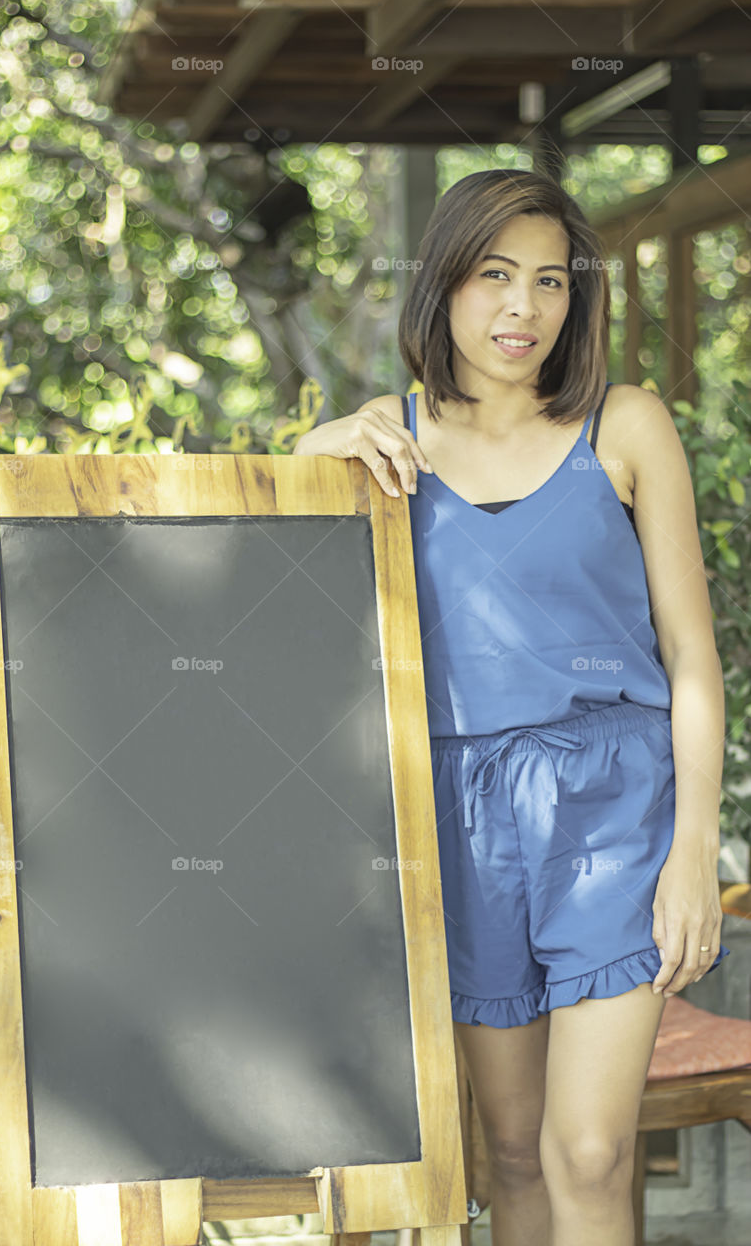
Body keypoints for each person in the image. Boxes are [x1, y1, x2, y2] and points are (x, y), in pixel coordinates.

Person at [293, 168, 729, 1246]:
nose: (521, 308)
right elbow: (244, 563)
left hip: (613, 810)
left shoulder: (622, 424)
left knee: (592, 1148)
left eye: (548, 282)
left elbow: (691, 656)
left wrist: (693, 854)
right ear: (441, 285)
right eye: (493, 276)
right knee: (516, 1149)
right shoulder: (384, 444)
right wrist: (314, 448)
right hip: (456, 817)